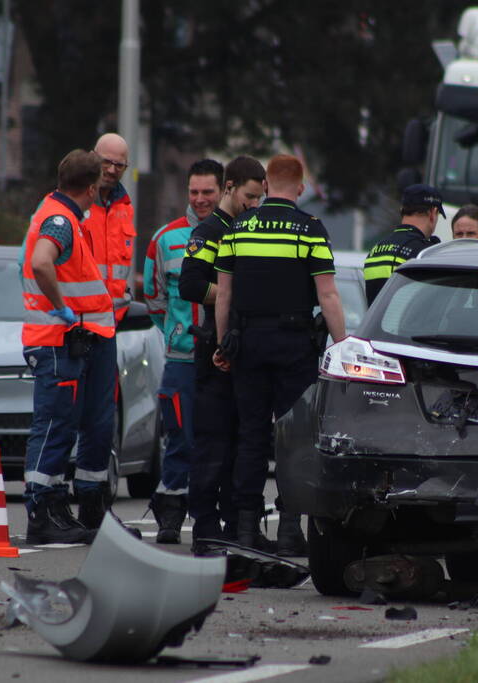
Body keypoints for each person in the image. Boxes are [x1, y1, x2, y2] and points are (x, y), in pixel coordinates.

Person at [213, 154, 346, 552]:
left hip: (249, 345)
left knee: (251, 438)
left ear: (267, 185)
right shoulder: (310, 230)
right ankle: (290, 530)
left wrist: (223, 345)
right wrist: (343, 347)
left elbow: (224, 295)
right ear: (301, 187)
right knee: (293, 441)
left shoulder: (238, 228)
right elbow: (327, 294)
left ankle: (246, 531)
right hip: (294, 348)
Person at [20, 149, 114, 544]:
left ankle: (54, 509)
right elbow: (43, 262)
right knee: (55, 425)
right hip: (57, 340)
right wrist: (62, 308)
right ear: (91, 189)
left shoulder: (54, 210)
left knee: (62, 425)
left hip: (64, 341)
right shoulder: (60, 220)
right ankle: (42, 514)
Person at [178, 155, 265, 555]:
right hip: (214, 350)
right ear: (230, 188)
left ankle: (237, 525)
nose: (254, 205)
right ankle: (207, 528)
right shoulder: (210, 231)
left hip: (243, 352)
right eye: (249, 196)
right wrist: (232, 295)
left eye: (259, 198)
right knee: (213, 443)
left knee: (242, 443)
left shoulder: (248, 228)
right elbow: (192, 285)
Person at [143, 159, 224, 543]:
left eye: (208, 192)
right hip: (182, 358)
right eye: (194, 192)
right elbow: (153, 297)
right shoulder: (165, 239)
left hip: (224, 356)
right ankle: (170, 513)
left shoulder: (233, 234)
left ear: (222, 190)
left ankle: (217, 516)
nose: (200, 199)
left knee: (222, 438)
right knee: (180, 438)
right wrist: (176, 332)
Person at [75, 132, 135, 532]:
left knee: (101, 423)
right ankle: (49, 507)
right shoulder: (76, 204)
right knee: (65, 419)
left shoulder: (125, 207)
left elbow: (120, 275)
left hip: (107, 330)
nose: (112, 170)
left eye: (119, 164)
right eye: (106, 162)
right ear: (92, 158)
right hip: (73, 329)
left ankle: (92, 508)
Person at [363, 183, 445, 306]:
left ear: (402, 210)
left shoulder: (375, 250)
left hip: (373, 325)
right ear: (433, 213)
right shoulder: (424, 253)